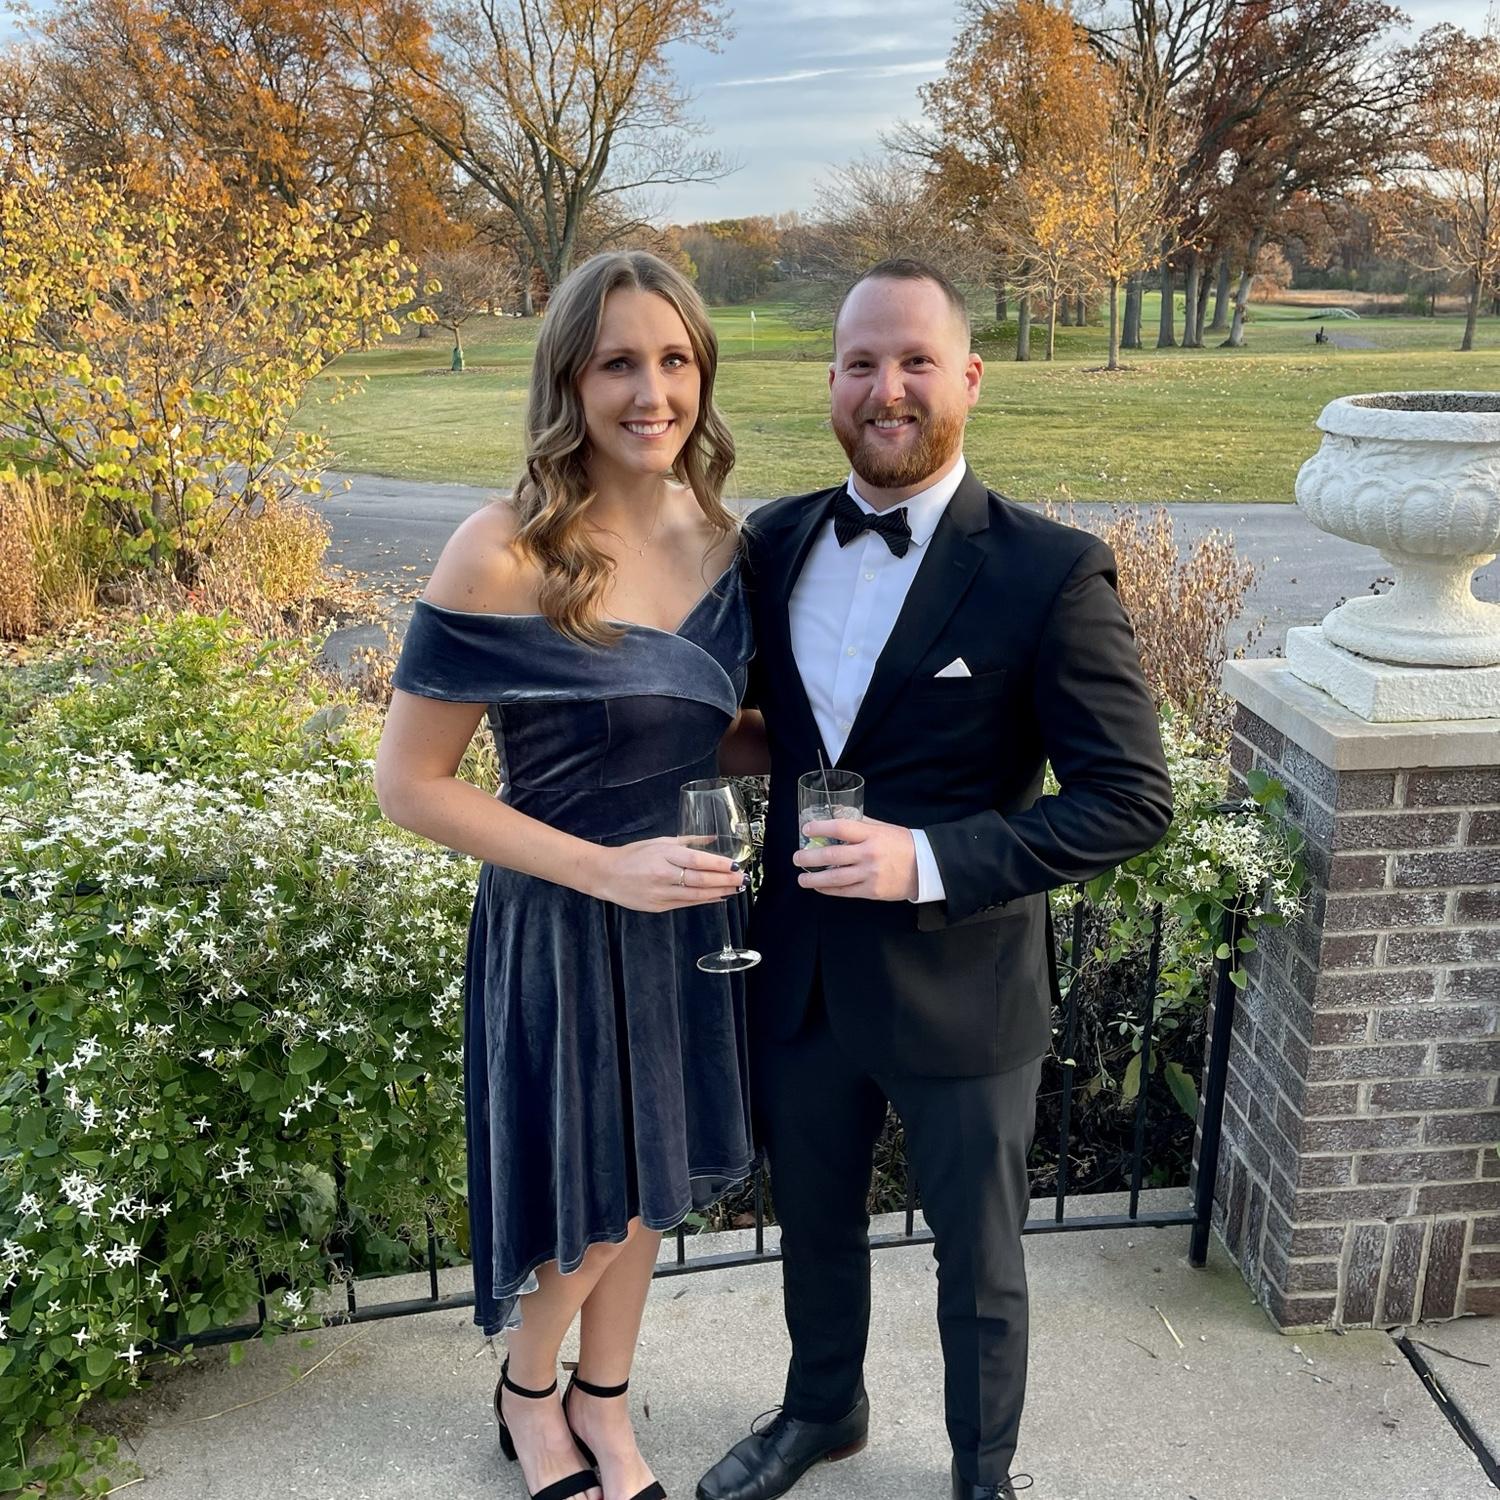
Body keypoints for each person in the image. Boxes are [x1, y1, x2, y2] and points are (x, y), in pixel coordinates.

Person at [696, 259, 1174, 1500]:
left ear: (969, 377)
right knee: (814, 1222)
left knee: (979, 1258)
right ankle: (822, 1409)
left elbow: (1132, 799)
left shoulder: (1049, 571)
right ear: (831, 382)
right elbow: (783, 729)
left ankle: (981, 1471)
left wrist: (923, 857)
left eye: (915, 361)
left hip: (966, 986)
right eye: (861, 363)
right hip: (803, 973)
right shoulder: (775, 541)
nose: (887, 389)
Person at [376, 250, 761, 1500]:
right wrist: (604, 870)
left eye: (675, 360)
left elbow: (699, 729)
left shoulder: (726, 542)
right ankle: (530, 1395)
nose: (653, 393)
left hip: (688, 912)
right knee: (592, 1186)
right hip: (563, 912)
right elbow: (411, 784)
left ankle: (607, 1400)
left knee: (654, 1183)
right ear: (568, 382)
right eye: (617, 364)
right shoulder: (503, 549)